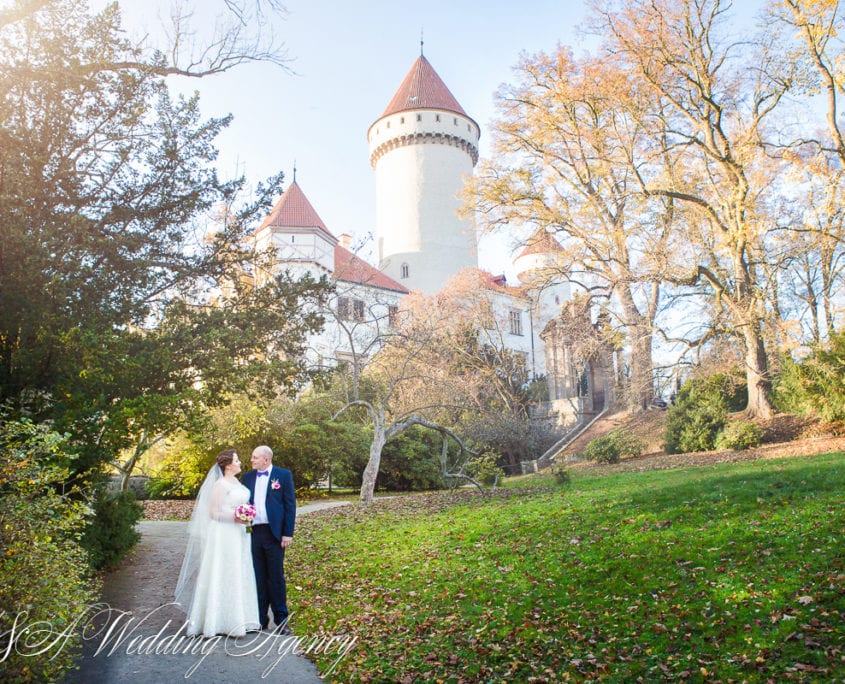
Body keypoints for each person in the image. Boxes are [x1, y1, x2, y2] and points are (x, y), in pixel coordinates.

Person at [174, 449, 260, 637]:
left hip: (240, 533)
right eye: (237, 460)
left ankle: (239, 619)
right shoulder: (220, 485)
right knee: (223, 571)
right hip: (224, 534)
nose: (240, 463)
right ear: (228, 465)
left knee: (238, 571)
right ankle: (216, 621)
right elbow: (213, 513)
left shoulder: (236, 482)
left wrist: (245, 516)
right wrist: (237, 515)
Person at [242, 445, 296, 634]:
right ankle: (260, 619)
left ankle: (281, 621)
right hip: (253, 533)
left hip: (275, 535)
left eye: (255, 457)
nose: (252, 460)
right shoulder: (247, 477)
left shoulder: (283, 475)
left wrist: (287, 533)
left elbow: (290, 505)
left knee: (276, 578)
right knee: (257, 577)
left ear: (266, 459)